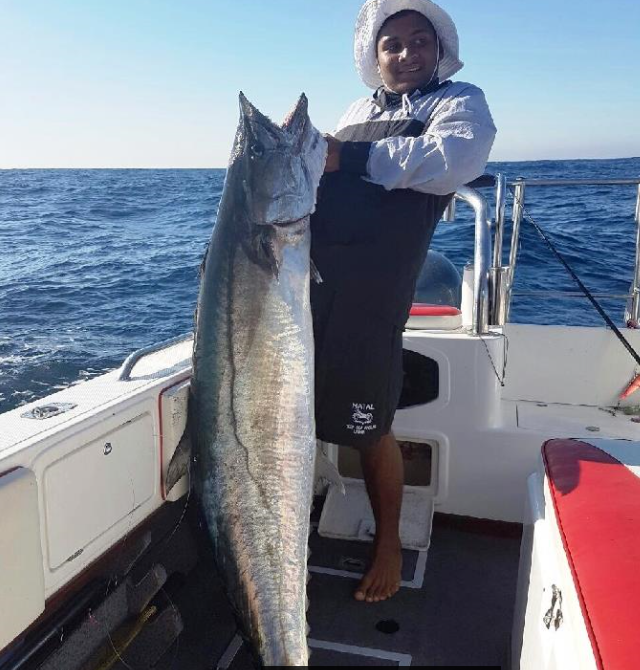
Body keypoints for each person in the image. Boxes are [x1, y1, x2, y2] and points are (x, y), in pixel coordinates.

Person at [310, 0, 496, 603]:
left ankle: (387, 540)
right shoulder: (355, 111)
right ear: (374, 55)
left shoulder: (460, 102)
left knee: (369, 427)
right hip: (308, 284)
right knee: (290, 416)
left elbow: (456, 159)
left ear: (439, 49)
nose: (407, 53)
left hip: (374, 291)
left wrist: (349, 155)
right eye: (393, 44)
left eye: (420, 41)